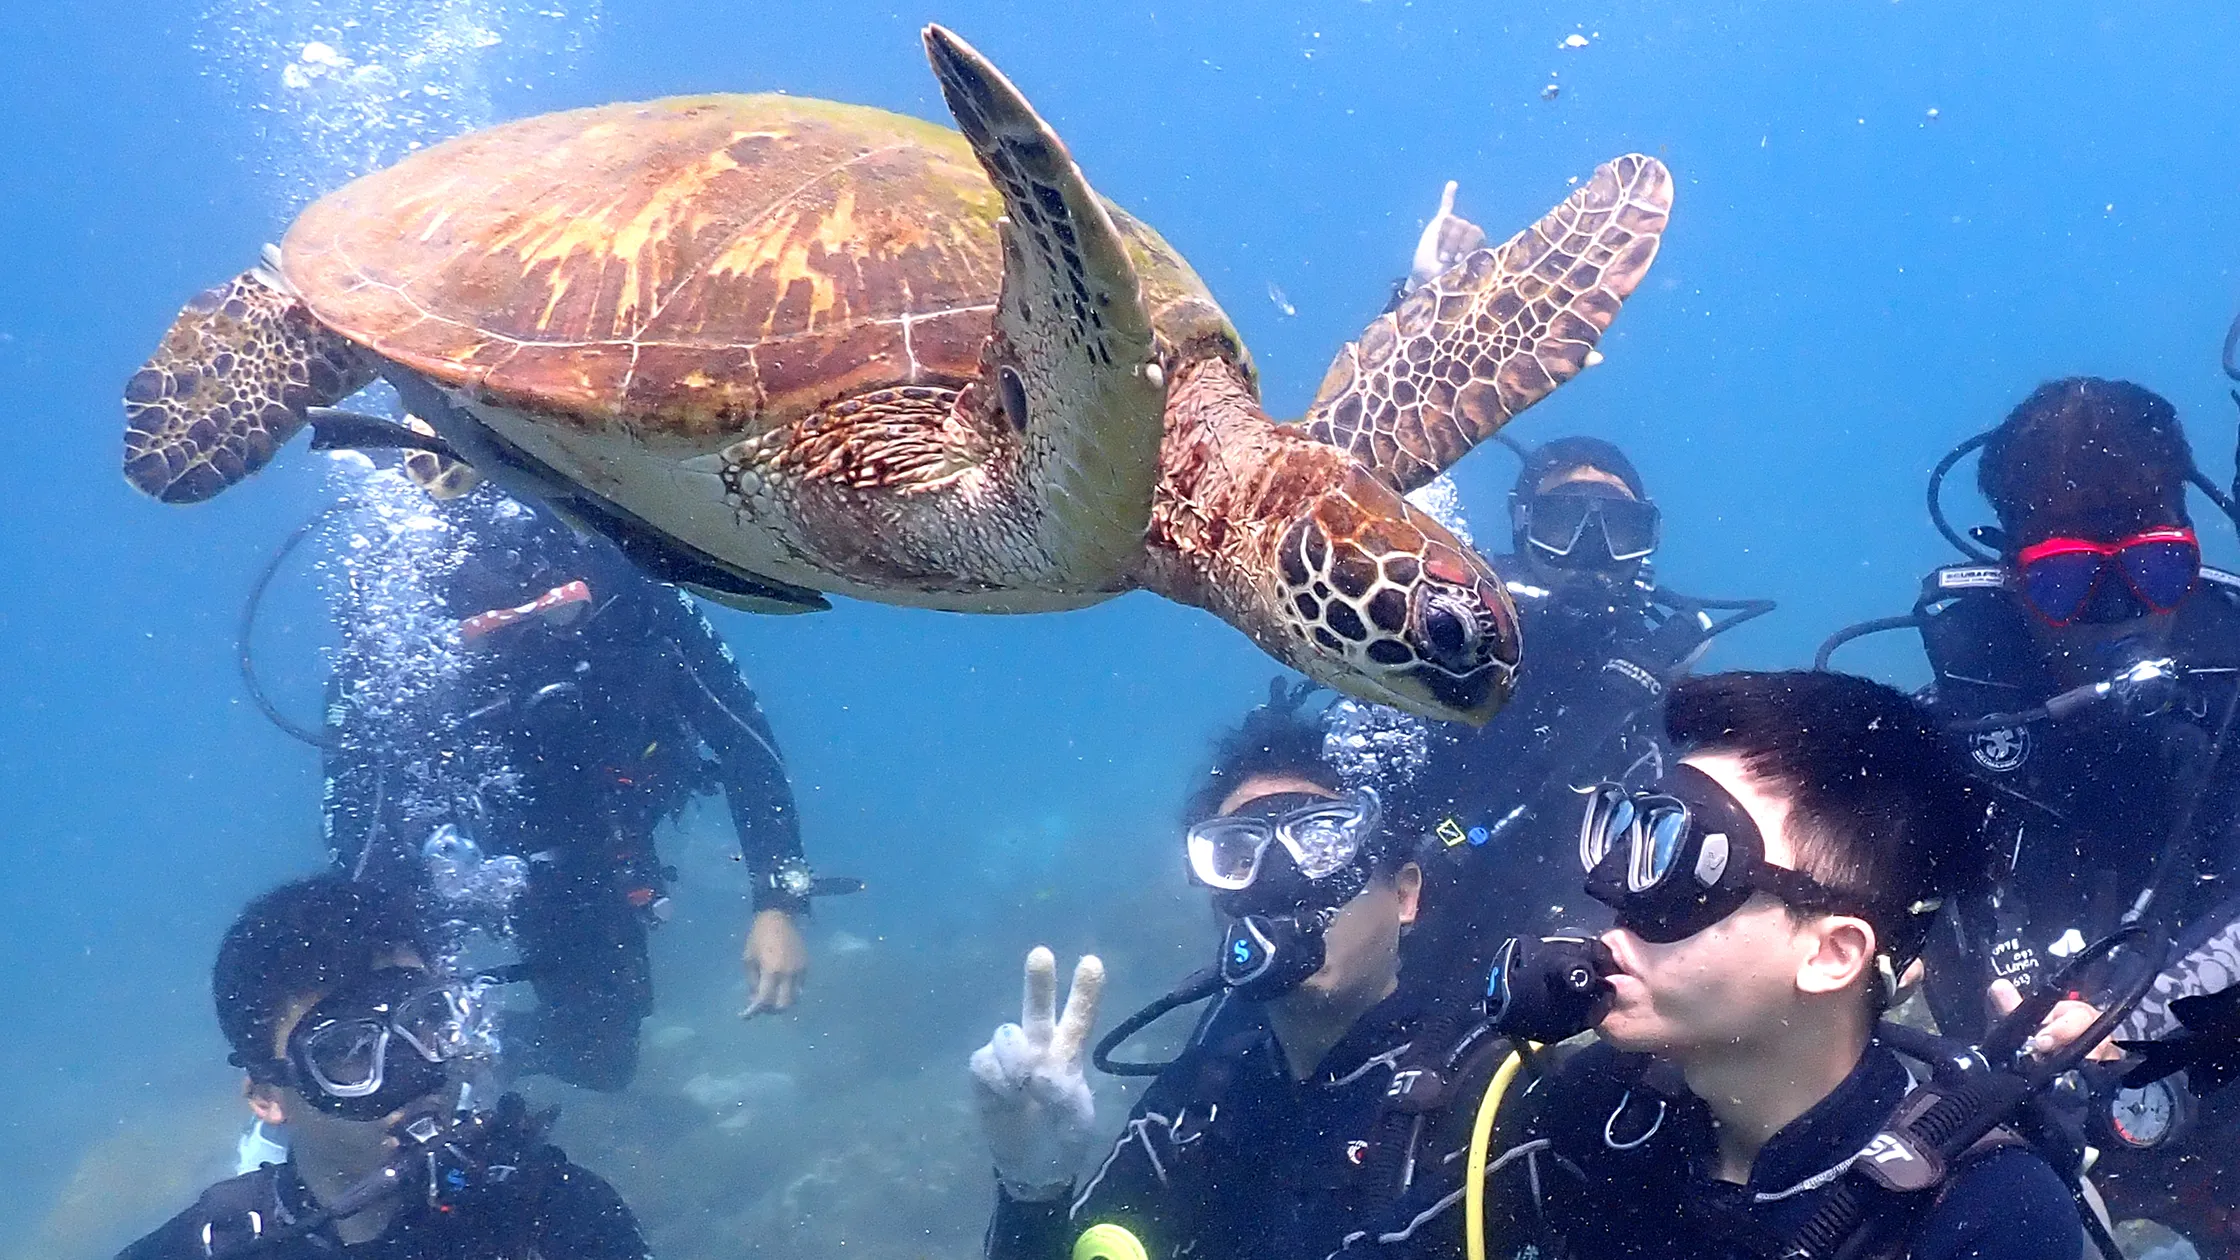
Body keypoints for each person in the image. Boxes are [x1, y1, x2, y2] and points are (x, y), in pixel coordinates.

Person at [1478, 670, 2086, 1260]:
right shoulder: (1592, 1102)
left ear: (1831, 954)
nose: (1614, 895)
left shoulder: (1985, 1213)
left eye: (1680, 857)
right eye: (1637, 831)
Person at [1855, 378, 2240, 1251]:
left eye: (2154, 567)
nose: (2119, 615)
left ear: (2194, 547)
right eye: (2067, 579)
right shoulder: (1946, 727)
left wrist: (2137, 1017)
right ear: (2008, 574)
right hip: (1994, 1124)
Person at [316, 462, 838, 1093]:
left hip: (596, 847)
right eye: (494, 632)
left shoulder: (637, 603)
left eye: (555, 613)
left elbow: (745, 742)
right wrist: (380, 976)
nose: (531, 640)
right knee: (394, 1063)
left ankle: (484, 1057)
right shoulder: (397, 651)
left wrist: (778, 902)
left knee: (602, 1056)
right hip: (456, 856)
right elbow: (358, 833)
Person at [967, 684, 1503, 1260]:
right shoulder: (1202, 1094)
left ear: (1404, 895)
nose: (1278, 886)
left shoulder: (1485, 1096)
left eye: (1323, 842)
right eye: (1236, 854)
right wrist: (1033, 1196)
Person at [1397, 435, 1767, 992]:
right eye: (1562, 522)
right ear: (1523, 526)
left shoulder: (1667, 676)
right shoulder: (1451, 648)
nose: (1592, 550)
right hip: (1437, 942)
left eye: (1620, 531)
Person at [117, 874, 649, 1259]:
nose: (414, 1073)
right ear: (267, 1096)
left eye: (425, 1021)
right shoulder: (213, 1246)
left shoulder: (552, 1210)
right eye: (348, 1051)